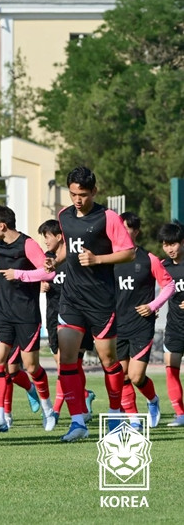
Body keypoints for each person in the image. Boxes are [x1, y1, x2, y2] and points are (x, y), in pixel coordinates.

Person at [46, 166, 134, 442]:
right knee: (67, 359)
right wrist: (55, 260)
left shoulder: (108, 217)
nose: (77, 199)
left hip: (101, 300)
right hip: (71, 298)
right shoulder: (63, 215)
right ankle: (77, 421)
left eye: (83, 194)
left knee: (109, 359)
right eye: (73, 194)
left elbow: (129, 252)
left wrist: (97, 259)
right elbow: (67, 245)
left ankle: (116, 413)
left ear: (94, 191)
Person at [0, 205, 56, 433]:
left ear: (1, 226)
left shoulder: (28, 244)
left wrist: (20, 274)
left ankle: (47, 408)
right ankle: (0, 417)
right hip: (2, 314)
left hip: (27, 315)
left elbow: (48, 272)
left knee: (31, 366)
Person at [113, 212, 172, 429]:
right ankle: (134, 419)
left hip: (140, 325)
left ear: (135, 232)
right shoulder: (109, 259)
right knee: (122, 376)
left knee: (136, 377)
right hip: (117, 325)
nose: (121, 233)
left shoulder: (148, 258)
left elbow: (169, 285)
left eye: (126, 228)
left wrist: (152, 306)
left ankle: (153, 400)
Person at [37, 219, 96, 425]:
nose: (44, 241)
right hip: (53, 317)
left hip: (75, 316)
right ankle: (84, 397)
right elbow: (36, 276)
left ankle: (57, 410)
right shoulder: (46, 259)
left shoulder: (74, 258)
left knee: (67, 366)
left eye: (47, 236)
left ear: (59, 236)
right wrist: (42, 285)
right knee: (69, 367)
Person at [158, 222, 184, 426]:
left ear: (182, 242)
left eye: (173, 244)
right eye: (166, 244)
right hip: (175, 327)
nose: (170, 249)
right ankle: (180, 414)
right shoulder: (163, 267)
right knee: (171, 368)